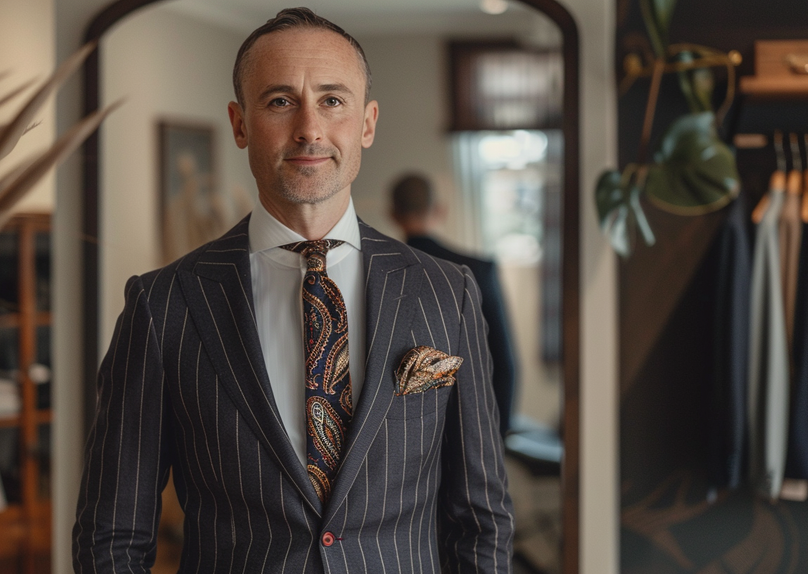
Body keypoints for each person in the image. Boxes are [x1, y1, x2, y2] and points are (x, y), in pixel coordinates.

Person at [73, 8, 513, 573]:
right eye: (280, 101)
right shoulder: (164, 307)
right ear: (239, 124)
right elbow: (110, 536)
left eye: (333, 100)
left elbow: (481, 519)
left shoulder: (444, 292)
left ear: (368, 122)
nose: (309, 127)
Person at [389, 173, 518, 435]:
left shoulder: (381, 275)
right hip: (468, 424)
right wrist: (498, 434)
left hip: (403, 432)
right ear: (440, 210)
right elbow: (504, 362)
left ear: (393, 214)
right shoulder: (477, 271)